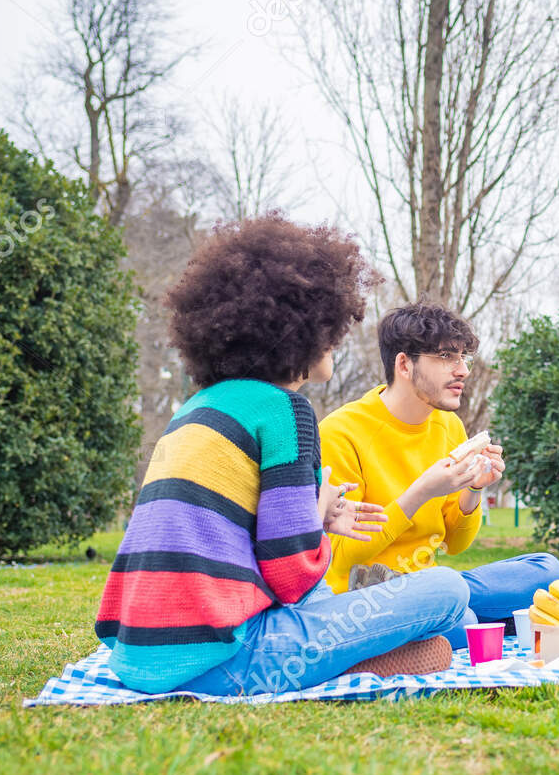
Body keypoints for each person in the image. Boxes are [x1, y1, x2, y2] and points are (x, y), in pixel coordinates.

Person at [96, 215, 469, 697]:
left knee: (416, 614)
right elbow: (292, 580)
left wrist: (318, 517)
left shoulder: (198, 406)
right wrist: (315, 522)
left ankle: (358, 658)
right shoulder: (284, 411)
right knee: (448, 591)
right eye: (329, 322)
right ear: (294, 328)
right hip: (225, 659)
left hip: (135, 658)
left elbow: (227, 538)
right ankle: (350, 662)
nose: (336, 335)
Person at [319, 301, 559, 644]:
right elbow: (340, 559)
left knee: (546, 570)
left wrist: (473, 491)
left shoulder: (449, 425)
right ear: (404, 364)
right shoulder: (341, 433)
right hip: (369, 598)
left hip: (434, 582)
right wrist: (421, 492)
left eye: (464, 357)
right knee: (464, 620)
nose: (462, 370)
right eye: (447, 357)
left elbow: (455, 543)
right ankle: (487, 623)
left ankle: (467, 620)